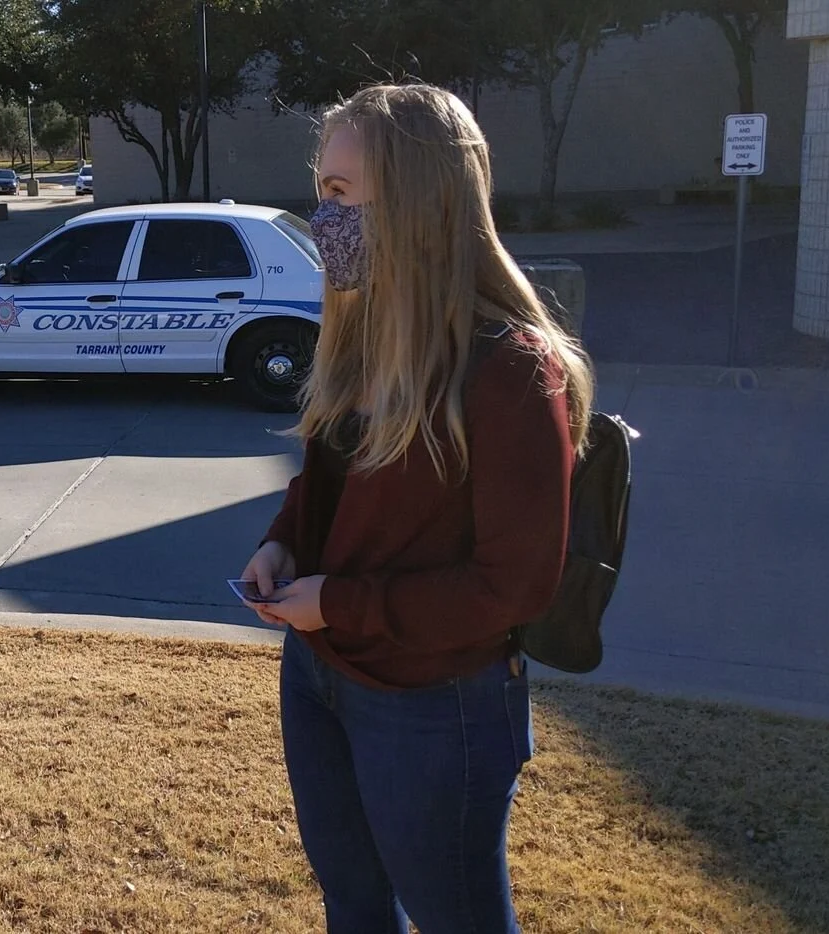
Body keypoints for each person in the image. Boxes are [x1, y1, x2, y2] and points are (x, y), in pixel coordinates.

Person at [239, 84, 593, 934]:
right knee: (355, 907)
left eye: (339, 194)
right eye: (321, 191)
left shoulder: (511, 369)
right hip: (319, 674)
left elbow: (514, 586)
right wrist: (285, 543)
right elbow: (326, 483)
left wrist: (339, 602)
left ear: (418, 201)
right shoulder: (363, 334)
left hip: (435, 705)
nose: (321, 220)